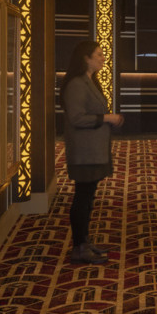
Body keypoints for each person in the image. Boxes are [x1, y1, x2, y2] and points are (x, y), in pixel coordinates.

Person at [60, 40, 123, 266]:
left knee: (87, 198)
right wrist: (106, 118)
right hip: (84, 152)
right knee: (82, 198)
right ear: (85, 58)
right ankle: (79, 247)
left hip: (93, 150)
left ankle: (84, 242)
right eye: (98, 54)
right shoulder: (76, 84)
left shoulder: (90, 81)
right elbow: (77, 118)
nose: (102, 58)